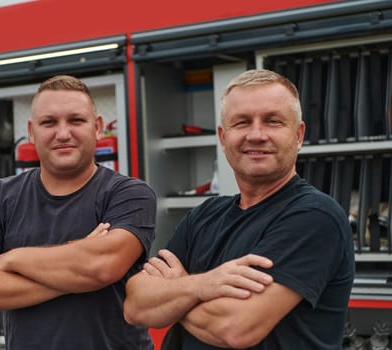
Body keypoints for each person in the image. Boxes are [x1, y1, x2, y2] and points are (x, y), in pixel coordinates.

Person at [123, 69, 355, 349]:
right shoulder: (204, 215)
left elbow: (236, 328)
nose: (256, 135)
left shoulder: (315, 216)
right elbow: (135, 305)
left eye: (272, 121)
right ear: (223, 137)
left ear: (299, 135)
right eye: (242, 122)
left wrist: (176, 290)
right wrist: (202, 285)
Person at [0, 75, 157, 349]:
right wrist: (77, 268)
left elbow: (101, 268)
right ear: (32, 131)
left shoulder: (130, 194)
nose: (63, 133)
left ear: (98, 127)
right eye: (49, 122)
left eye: (76, 120)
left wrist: (12, 258)